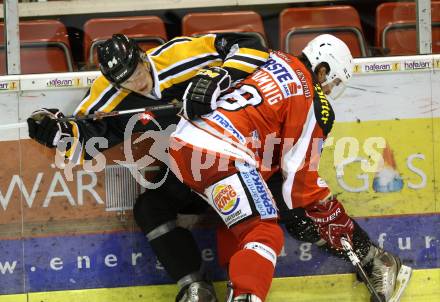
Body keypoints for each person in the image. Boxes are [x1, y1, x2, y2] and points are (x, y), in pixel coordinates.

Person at [26, 33, 270, 302]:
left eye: (136, 71)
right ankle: (195, 287)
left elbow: (251, 46)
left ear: (143, 56)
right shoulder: (110, 92)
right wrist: (53, 130)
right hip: (191, 167)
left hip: (240, 156)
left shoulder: (181, 55)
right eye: (125, 80)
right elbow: (83, 136)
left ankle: (247, 289)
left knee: (253, 215)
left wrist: (218, 76)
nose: (136, 83)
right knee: (150, 208)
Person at [168, 34, 412, 302]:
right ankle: (247, 294)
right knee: (264, 230)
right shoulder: (315, 100)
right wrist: (326, 210)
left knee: (241, 221)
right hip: (223, 150)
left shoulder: (267, 56)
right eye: (334, 82)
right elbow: (301, 182)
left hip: (183, 146)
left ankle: (235, 286)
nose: (330, 90)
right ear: (323, 69)